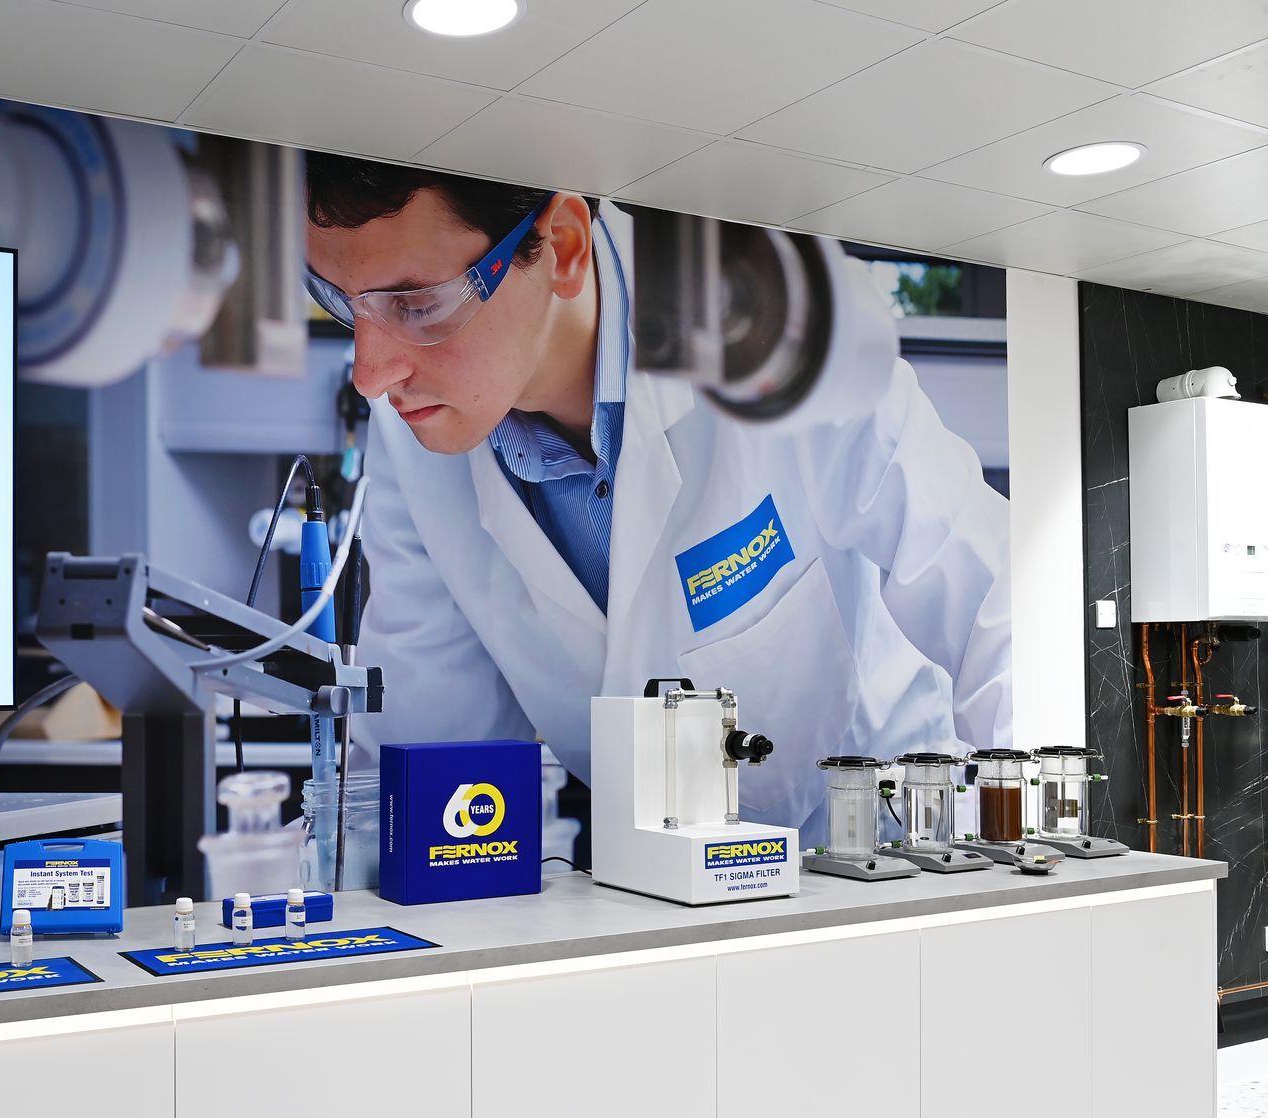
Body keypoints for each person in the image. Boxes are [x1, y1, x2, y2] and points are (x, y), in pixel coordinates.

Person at [303, 156, 1010, 837]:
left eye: (416, 303)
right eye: (338, 299)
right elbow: (442, 764)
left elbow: (994, 601)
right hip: (643, 880)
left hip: (877, 844)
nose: (369, 373)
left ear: (565, 246)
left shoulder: (776, 318)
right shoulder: (416, 443)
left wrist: (1035, 854)